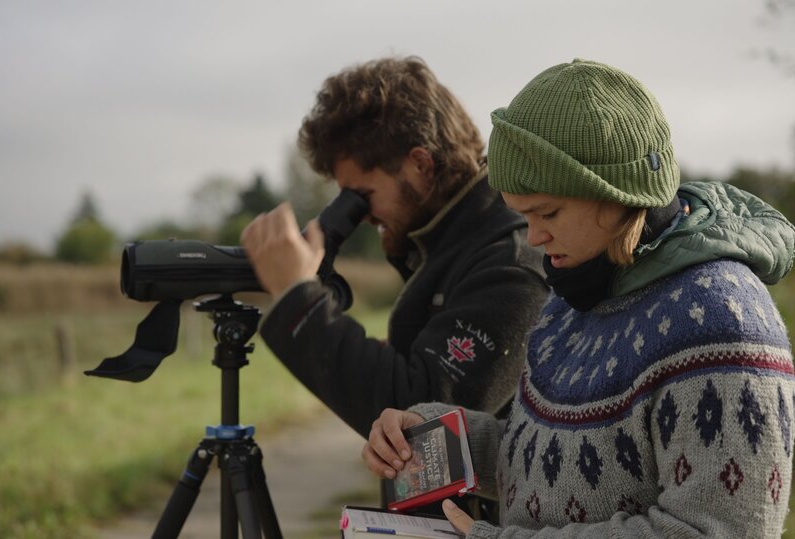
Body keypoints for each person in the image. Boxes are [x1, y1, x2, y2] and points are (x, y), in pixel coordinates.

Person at [362, 58, 795, 537]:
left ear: (615, 194)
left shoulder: (722, 322)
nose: (534, 237)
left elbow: (718, 531)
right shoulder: (573, 298)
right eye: (522, 216)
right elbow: (541, 459)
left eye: (547, 211)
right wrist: (427, 435)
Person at [240, 56, 548, 440]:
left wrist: (298, 298)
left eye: (362, 195)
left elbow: (422, 418)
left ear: (420, 164)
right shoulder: (456, 243)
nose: (361, 216)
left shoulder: (511, 262)